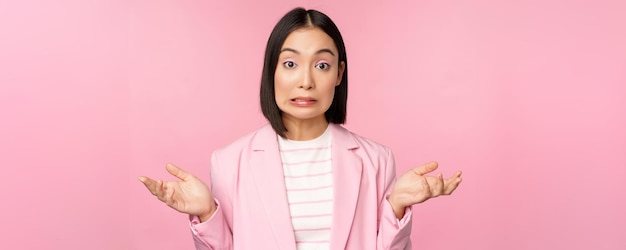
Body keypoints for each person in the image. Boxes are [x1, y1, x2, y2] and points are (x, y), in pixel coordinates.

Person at [138, 7, 462, 250]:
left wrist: (396, 208)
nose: (306, 81)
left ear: (339, 74)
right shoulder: (229, 161)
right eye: (290, 63)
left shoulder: (376, 159)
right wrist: (207, 213)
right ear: (272, 71)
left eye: (322, 65)